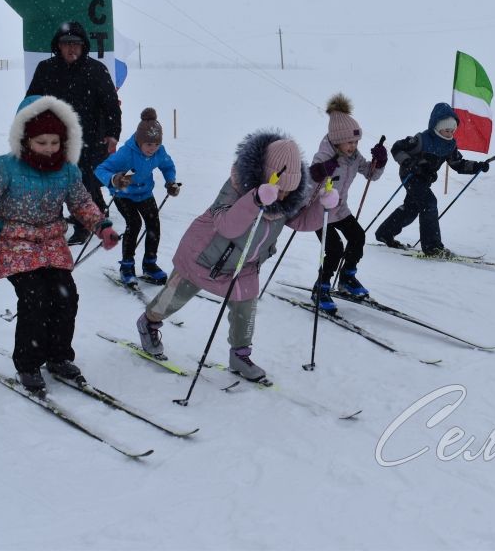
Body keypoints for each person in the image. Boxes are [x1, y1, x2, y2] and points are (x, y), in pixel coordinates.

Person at [134, 130, 339, 382]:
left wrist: (324, 206)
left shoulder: (287, 196)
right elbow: (228, 226)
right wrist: (254, 200)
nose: (284, 196)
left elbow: (300, 221)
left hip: (245, 264)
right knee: (173, 299)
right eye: (281, 189)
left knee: (245, 309)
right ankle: (149, 322)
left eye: (290, 190)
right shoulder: (235, 186)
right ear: (267, 175)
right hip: (203, 256)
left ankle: (240, 355)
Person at [0, 95, 120, 392]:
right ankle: (28, 363)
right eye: (41, 142)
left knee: (66, 295)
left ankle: (57, 356)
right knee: (35, 297)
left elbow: (82, 203)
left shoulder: (68, 170)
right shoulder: (7, 167)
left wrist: (102, 226)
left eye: (54, 143)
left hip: (50, 239)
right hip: (12, 239)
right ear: (25, 139)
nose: (48, 149)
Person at [27, 20, 122, 246]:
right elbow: (32, 101)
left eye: (76, 44)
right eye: (66, 44)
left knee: (82, 185)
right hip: (53, 139)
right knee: (52, 183)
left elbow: (111, 106)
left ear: (83, 46)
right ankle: (53, 225)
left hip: (88, 139)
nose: (71, 49)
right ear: (58, 46)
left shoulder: (97, 70)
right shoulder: (46, 69)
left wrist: (112, 134)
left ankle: (83, 226)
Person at [374, 102, 490, 258]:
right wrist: (408, 163)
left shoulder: (450, 145)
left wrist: (477, 166)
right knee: (429, 203)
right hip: (410, 175)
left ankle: (384, 233)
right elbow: (397, 148)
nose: (449, 133)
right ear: (436, 126)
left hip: (425, 179)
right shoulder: (421, 140)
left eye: (452, 130)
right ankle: (432, 247)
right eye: (446, 130)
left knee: (412, 208)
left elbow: (458, 164)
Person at [307, 94, 387, 312]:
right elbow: (308, 181)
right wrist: (320, 172)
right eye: (350, 142)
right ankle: (321, 286)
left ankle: (346, 278)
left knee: (358, 237)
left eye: (356, 142)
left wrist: (379, 162)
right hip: (318, 212)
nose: (353, 146)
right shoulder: (325, 155)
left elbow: (371, 174)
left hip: (340, 209)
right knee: (334, 249)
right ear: (336, 140)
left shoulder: (352, 156)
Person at [94, 107, 178, 287]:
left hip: (145, 192)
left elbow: (168, 166)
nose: (152, 149)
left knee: (154, 224)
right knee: (134, 223)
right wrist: (114, 179)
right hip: (124, 194)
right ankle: (127, 267)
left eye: (156, 145)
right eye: (148, 145)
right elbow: (100, 169)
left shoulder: (159, 152)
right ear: (140, 141)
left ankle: (149, 264)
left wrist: (171, 182)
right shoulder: (126, 153)